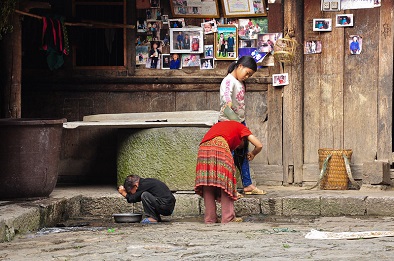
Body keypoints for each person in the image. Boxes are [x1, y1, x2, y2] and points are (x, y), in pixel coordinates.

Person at [195, 121, 263, 224]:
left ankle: (210, 219)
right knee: (226, 182)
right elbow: (259, 145)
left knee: (207, 183)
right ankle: (228, 218)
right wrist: (253, 153)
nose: (236, 148)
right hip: (220, 146)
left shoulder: (222, 125)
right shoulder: (242, 128)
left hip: (203, 148)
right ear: (243, 138)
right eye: (239, 147)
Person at [218, 55, 265, 196]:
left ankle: (248, 184)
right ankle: (229, 188)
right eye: (247, 73)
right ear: (240, 66)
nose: (247, 77)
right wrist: (235, 122)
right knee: (230, 156)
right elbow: (226, 102)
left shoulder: (239, 82)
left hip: (238, 122)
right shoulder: (228, 81)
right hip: (229, 123)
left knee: (243, 154)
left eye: (250, 75)